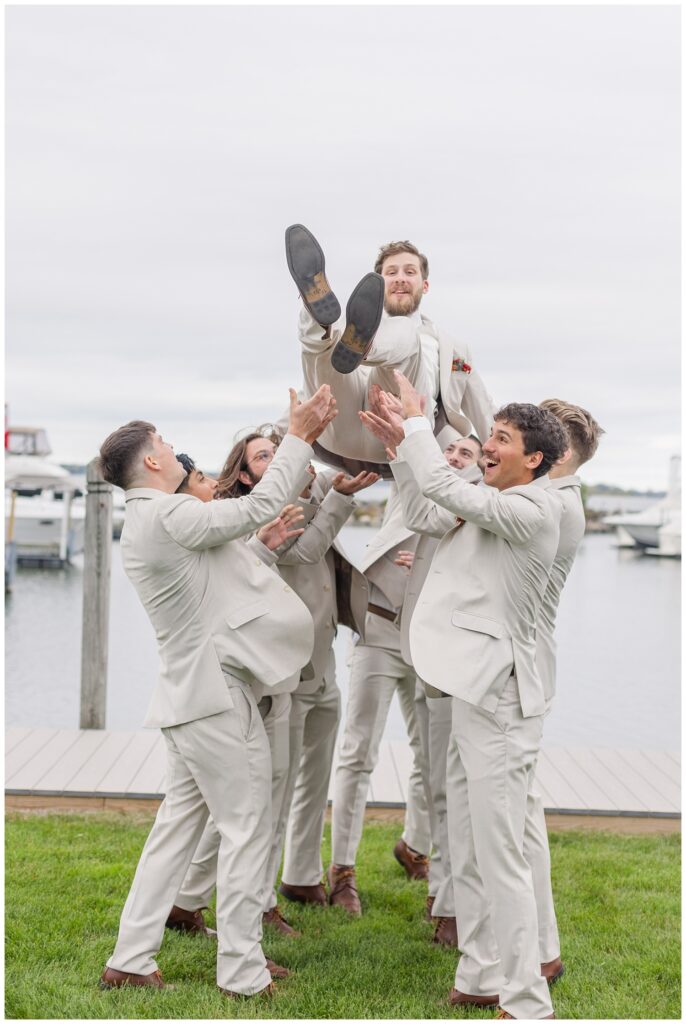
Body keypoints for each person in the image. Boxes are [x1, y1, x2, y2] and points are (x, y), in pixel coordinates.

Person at [98, 385, 336, 998]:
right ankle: (242, 971)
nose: (176, 452)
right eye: (168, 445)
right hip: (214, 700)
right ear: (152, 461)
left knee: (177, 827)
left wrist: (261, 547)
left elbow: (208, 575)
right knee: (248, 826)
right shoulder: (168, 512)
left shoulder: (151, 522)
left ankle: (131, 958)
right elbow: (249, 508)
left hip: (189, 698)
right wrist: (301, 436)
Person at [380, 372, 568, 1020]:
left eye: (503, 438)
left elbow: (440, 484)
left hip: (501, 702)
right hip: (478, 691)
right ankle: (485, 975)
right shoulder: (491, 497)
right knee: (486, 847)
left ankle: (525, 1001)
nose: (487, 444)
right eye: (490, 433)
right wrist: (400, 451)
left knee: (499, 857)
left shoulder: (530, 510)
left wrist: (413, 425)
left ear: (535, 459)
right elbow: (427, 507)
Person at [169, 428, 378, 938]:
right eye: (266, 455)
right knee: (267, 795)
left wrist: (334, 487)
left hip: (322, 661)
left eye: (283, 450)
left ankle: (289, 880)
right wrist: (339, 501)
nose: (282, 458)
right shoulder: (253, 519)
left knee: (304, 783)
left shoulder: (312, 496)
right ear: (244, 475)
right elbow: (304, 553)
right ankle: (247, 903)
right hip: (279, 675)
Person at [360, 391, 482, 945]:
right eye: (452, 450)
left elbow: (433, 503)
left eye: (471, 452)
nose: (457, 457)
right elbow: (419, 509)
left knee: (455, 789)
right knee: (438, 781)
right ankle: (443, 896)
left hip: (467, 668)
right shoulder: (455, 501)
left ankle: (454, 905)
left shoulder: (482, 504)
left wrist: (409, 446)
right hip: (428, 659)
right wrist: (401, 452)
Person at [285, 225, 495, 475]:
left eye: (410, 272)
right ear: (381, 283)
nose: (400, 278)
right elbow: (311, 384)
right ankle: (315, 312)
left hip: (403, 430)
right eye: (391, 272)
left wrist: (504, 455)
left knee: (405, 332)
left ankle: (365, 344)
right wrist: (277, 438)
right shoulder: (344, 325)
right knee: (322, 345)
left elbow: (483, 409)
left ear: (425, 285)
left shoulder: (453, 348)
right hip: (338, 423)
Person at [523, 399, 604, 986]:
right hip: (528, 669)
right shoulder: (556, 499)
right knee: (518, 817)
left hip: (521, 671)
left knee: (520, 822)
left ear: (564, 453)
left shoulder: (552, 504)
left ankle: (541, 949)